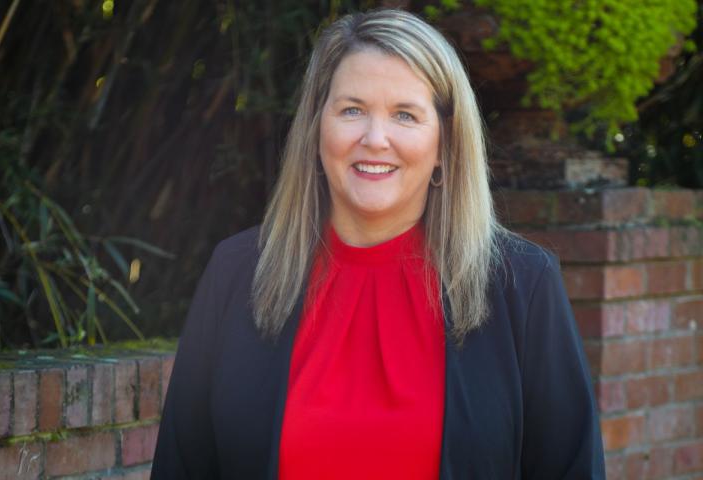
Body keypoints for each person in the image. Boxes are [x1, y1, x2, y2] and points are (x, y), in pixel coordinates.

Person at [151, 9, 606, 480]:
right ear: (316, 129)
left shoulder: (521, 284)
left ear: (446, 145)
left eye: (404, 115)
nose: (374, 139)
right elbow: (181, 467)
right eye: (352, 110)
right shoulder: (238, 272)